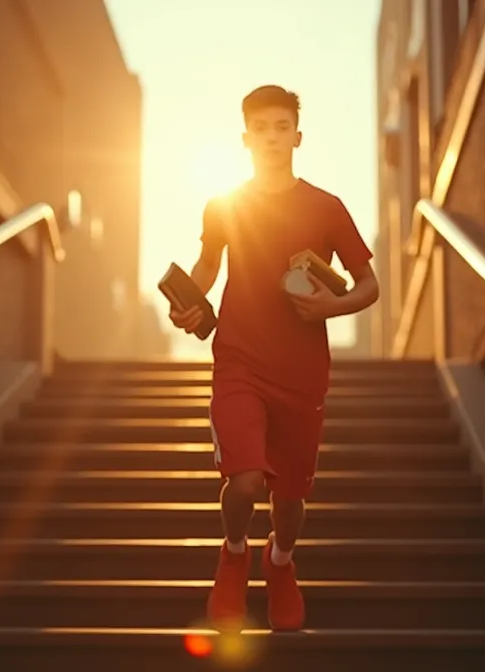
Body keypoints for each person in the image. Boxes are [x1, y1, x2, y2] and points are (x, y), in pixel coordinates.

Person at [167, 85, 380, 632]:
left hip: (303, 372)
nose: (271, 137)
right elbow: (208, 267)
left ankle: (280, 564)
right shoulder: (224, 205)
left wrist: (332, 306)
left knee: (289, 501)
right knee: (244, 482)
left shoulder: (326, 207)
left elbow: (369, 285)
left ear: (298, 137)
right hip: (238, 358)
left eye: (281, 127)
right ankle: (234, 553)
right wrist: (189, 304)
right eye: (260, 128)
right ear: (245, 138)